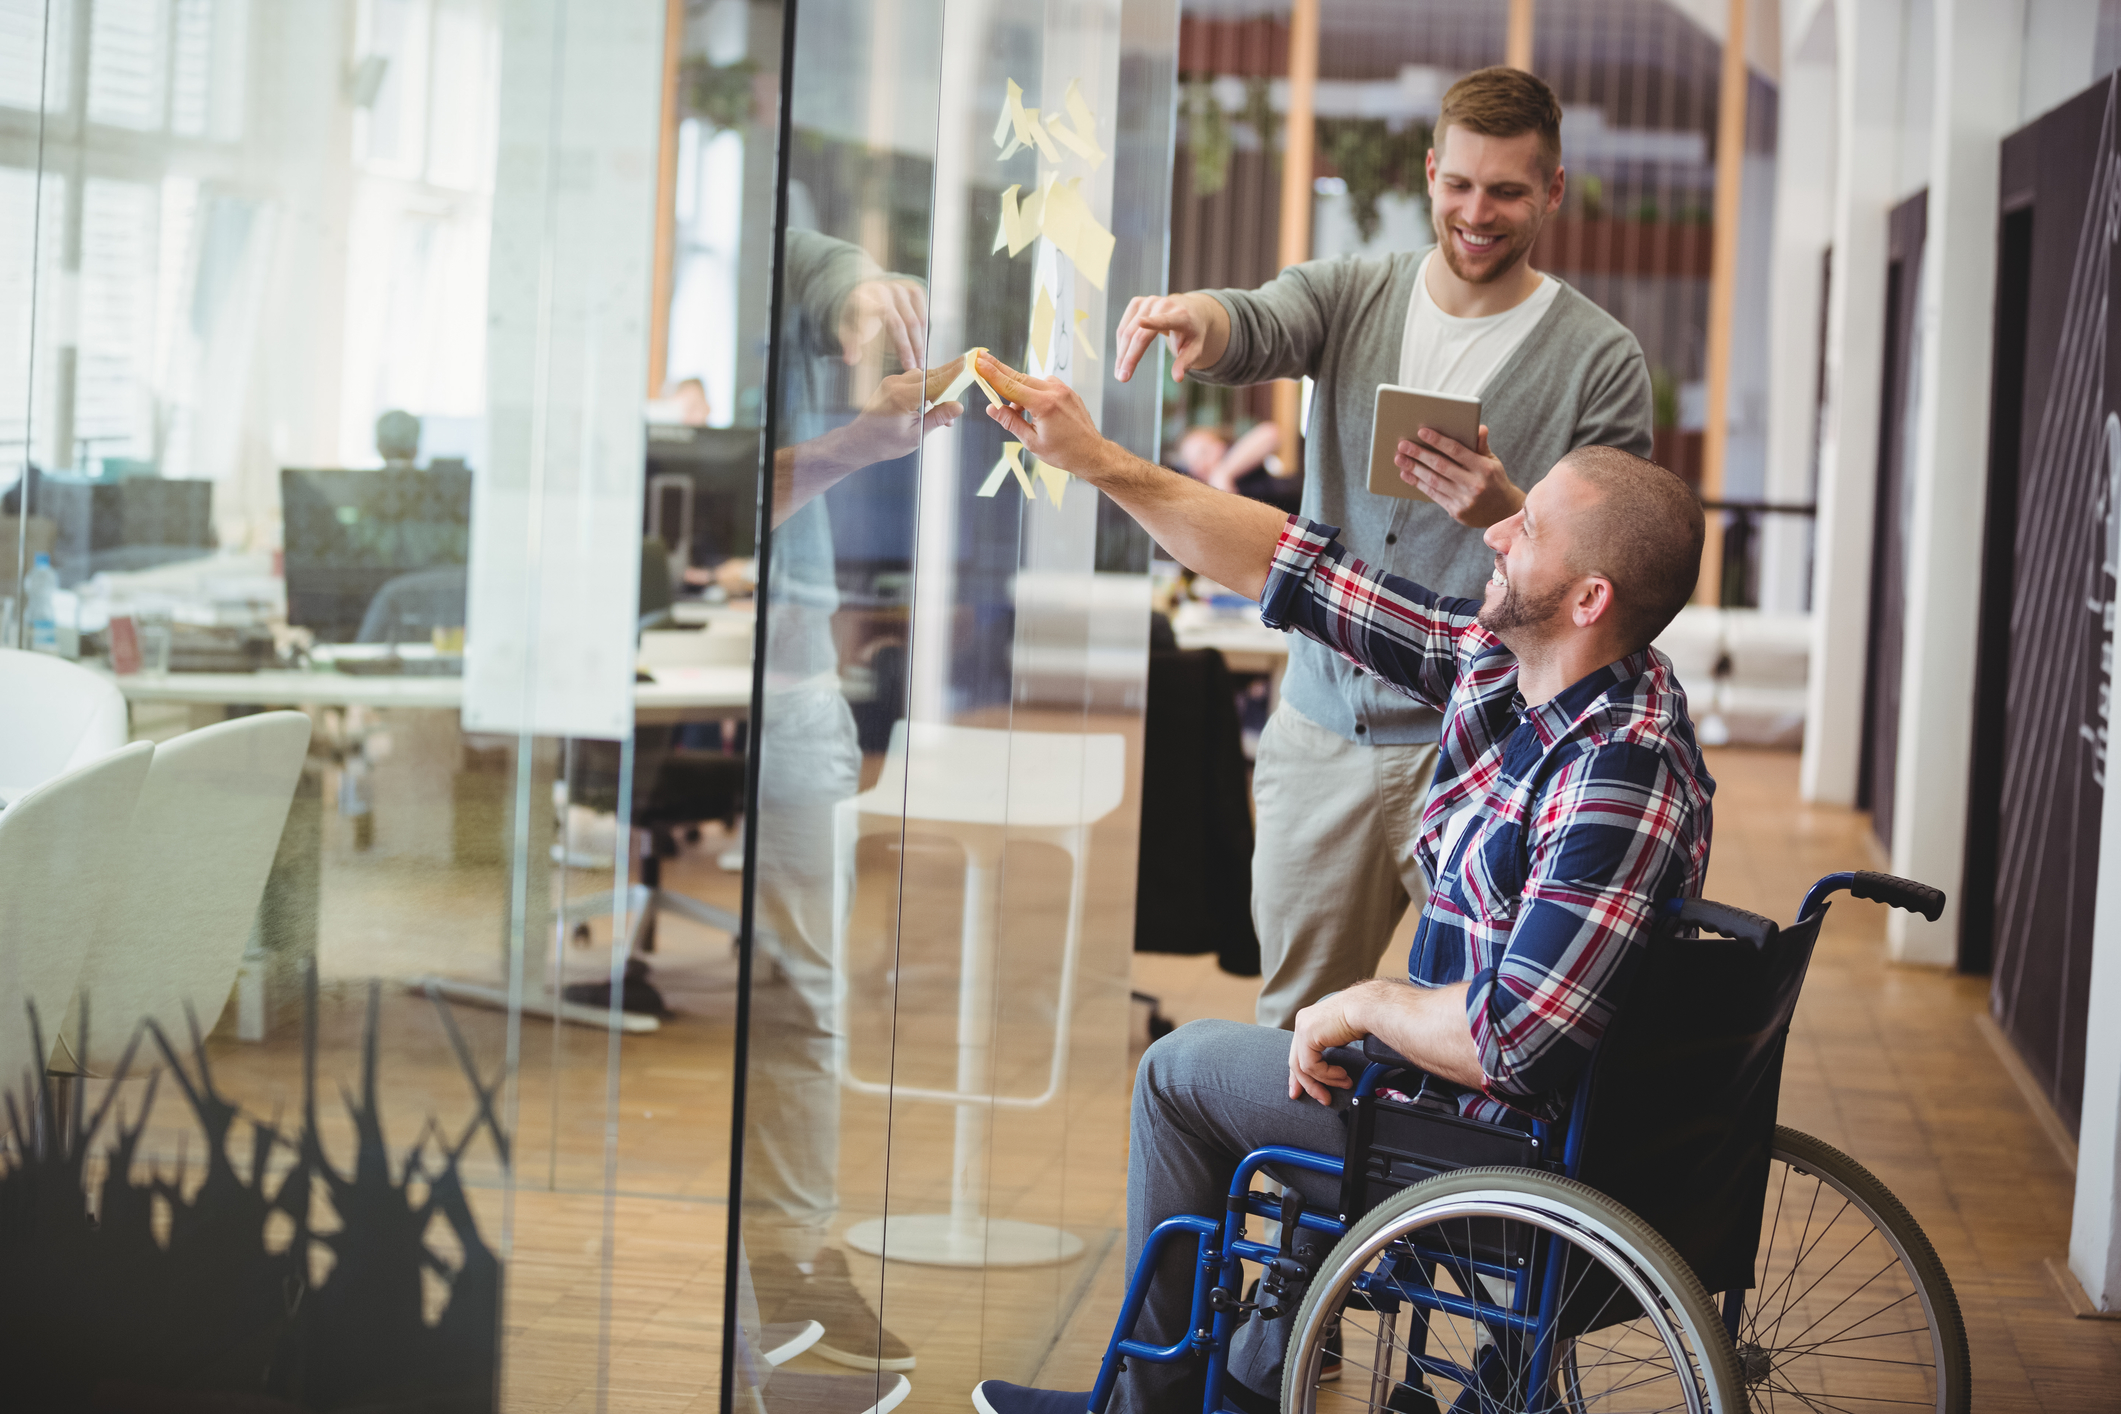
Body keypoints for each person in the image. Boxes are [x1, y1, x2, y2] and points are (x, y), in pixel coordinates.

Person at [961, 352, 1711, 1414]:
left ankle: (1155, 1408)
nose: (1495, 528)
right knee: (1253, 1069)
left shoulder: (1617, 768)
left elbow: (1513, 1038)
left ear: (1589, 597)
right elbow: (1304, 572)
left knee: (1181, 1072)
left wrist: (1366, 1002)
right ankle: (1228, 1377)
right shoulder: (1519, 670)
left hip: (1494, 1155)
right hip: (1470, 1111)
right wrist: (1094, 459)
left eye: (1527, 526)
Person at [1113, 67, 1655, 1033]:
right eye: (1458, 184)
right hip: (1321, 737)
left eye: (1507, 191)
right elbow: (1261, 320)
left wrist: (1508, 509)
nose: (1475, 213)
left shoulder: (1598, 358)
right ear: (1430, 171)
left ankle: (1422, 1192)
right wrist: (1199, 316)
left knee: (1467, 1025)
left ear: (1554, 191)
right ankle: (1298, 1188)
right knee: (1294, 1027)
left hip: (1485, 753)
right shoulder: (1354, 294)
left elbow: (1613, 565)